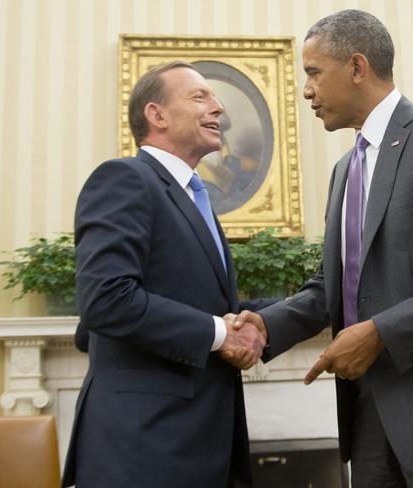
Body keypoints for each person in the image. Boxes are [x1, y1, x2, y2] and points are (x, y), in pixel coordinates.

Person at [236, 9, 413, 487]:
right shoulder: (343, 171)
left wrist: (381, 333)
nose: (305, 90)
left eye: (312, 73)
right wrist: (267, 326)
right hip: (368, 419)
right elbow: (338, 285)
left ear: (356, 67)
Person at [61, 61, 273, 488]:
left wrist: (288, 312)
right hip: (143, 452)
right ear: (156, 115)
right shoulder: (124, 178)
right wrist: (220, 334)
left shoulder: (194, 196)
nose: (219, 109)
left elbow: (207, 306)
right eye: (201, 97)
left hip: (198, 449)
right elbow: (107, 300)